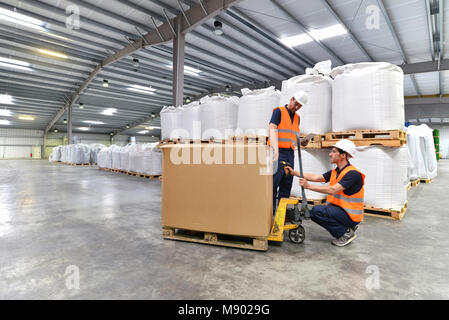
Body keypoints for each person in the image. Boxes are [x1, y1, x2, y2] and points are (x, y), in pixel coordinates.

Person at [284, 139, 365, 247]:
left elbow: (333, 189)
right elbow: (316, 177)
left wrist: (308, 186)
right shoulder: (336, 171)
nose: (330, 154)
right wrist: (294, 173)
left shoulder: (353, 174)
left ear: (343, 155)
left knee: (317, 212)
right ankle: (345, 227)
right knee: (317, 211)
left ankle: (345, 233)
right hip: (341, 211)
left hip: (350, 216)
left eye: (334, 151)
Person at [269, 90, 308, 214]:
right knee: (273, 184)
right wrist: (275, 151)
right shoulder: (278, 111)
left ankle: (281, 214)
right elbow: (272, 130)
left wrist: (302, 142)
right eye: (296, 104)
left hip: (290, 153)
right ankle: (269, 215)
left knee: (286, 184)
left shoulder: (297, 118)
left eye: (299, 106)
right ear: (291, 99)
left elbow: (292, 137)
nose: (296, 107)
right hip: (278, 152)